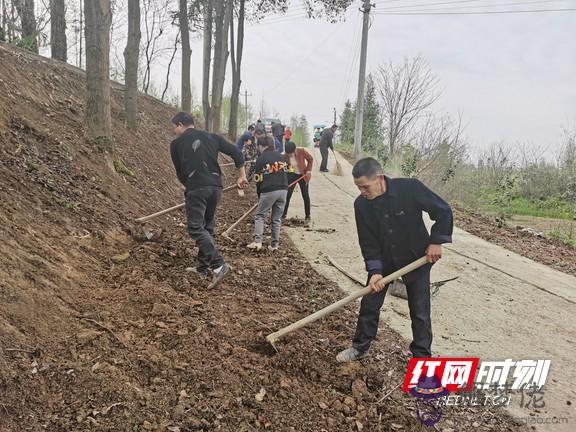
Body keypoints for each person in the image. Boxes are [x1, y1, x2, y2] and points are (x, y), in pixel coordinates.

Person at [336, 157, 453, 363]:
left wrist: (436, 241)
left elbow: (442, 211)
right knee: (369, 303)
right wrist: (375, 271)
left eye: (365, 187)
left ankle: (422, 357)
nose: (362, 192)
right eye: (358, 187)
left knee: (420, 311)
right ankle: (360, 347)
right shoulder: (361, 205)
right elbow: (368, 241)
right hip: (385, 261)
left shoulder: (409, 189)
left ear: (379, 178)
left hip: (415, 257)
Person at [170, 112, 248, 289]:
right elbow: (237, 153)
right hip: (215, 187)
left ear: (181, 124)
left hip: (197, 187)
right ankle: (202, 268)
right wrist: (241, 176)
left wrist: (188, 185)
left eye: (175, 127)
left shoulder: (176, 144)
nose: (174, 131)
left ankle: (219, 265)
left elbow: (180, 171)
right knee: (207, 227)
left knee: (195, 227)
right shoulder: (212, 137)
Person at [248, 135, 289, 252]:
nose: (258, 148)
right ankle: (274, 245)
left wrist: (259, 194)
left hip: (269, 190)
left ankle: (257, 242)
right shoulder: (280, 157)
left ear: (262, 146)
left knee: (260, 216)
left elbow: (258, 179)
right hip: (283, 190)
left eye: (258, 146)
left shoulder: (261, 159)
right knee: (276, 219)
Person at [282, 141, 313, 222]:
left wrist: (308, 170)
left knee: (305, 195)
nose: (290, 155)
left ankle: (307, 215)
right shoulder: (284, 156)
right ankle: (283, 215)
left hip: (303, 175)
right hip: (292, 175)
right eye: (288, 154)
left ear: (295, 150)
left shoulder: (301, 151)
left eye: (291, 154)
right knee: (287, 195)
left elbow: (310, 159)